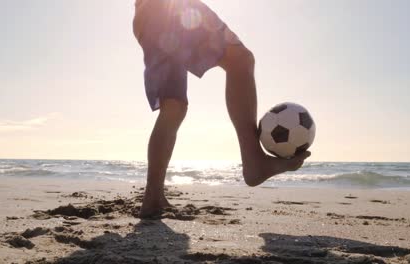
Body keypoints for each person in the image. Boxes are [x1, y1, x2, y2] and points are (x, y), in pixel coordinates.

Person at [133, 0, 311, 218]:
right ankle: (254, 161)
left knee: (174, 106)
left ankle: (153, 197)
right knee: (240, 60)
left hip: (146, 16)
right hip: (171, 8)